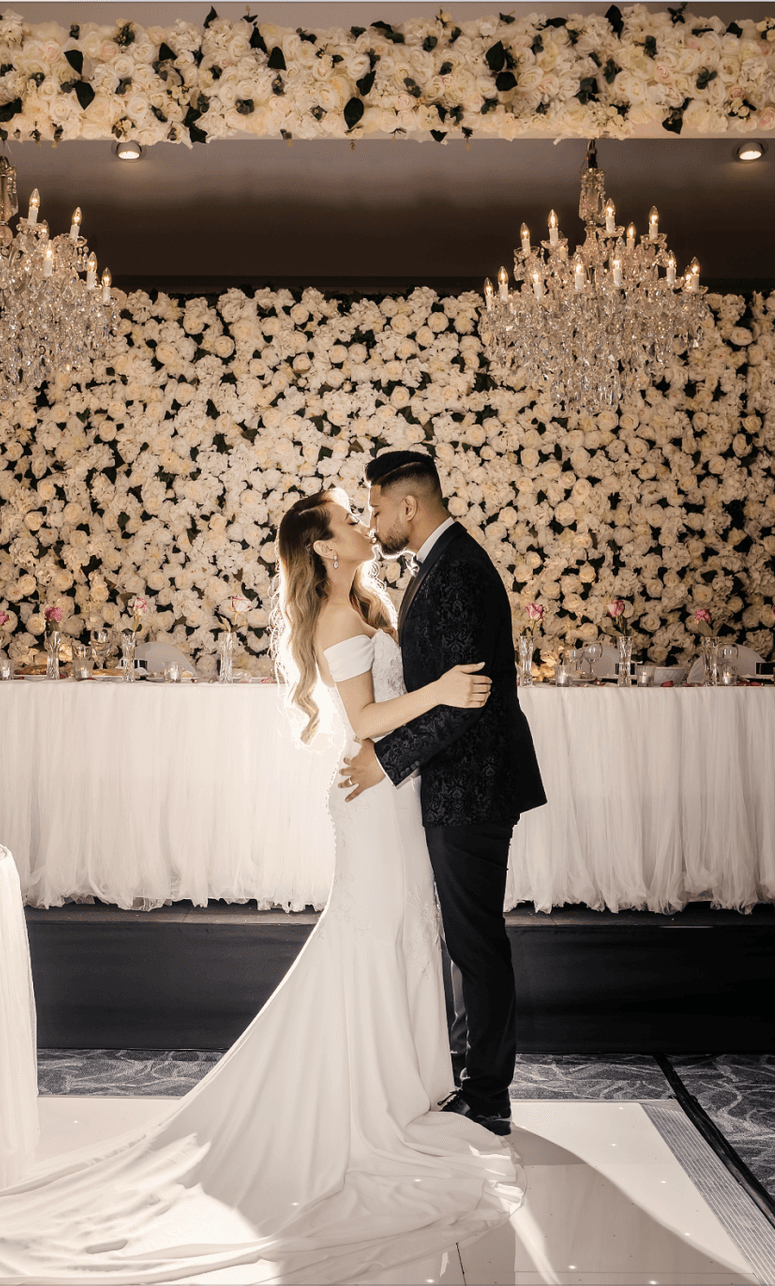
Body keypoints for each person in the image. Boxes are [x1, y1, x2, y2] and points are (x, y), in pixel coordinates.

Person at [0, 487, 522, 1283]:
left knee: (405, 932)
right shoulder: (340, 619)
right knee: (377, 936)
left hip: (392, 796)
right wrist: (444, 692)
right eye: (349, 522)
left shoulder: (367, 605)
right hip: (375, 804)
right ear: (325, 550)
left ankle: (409, 1084)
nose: (362, 528)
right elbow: (367, 720)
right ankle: (372, 1094)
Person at [338, 451, 546, 1137]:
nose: (372, 522)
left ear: (407, 507)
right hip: (460, 784)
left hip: (474, 787)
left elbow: (464, 701)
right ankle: (470, 1073)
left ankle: (488, 1091)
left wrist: (384, 763)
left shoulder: (456, 569)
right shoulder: (440, 564)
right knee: (464, 939)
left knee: (476, 942)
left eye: (374, 509)